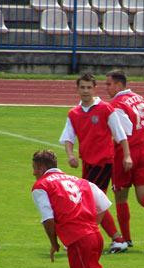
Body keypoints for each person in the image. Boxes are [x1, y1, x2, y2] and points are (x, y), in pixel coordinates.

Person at [60, 73, 131, 254]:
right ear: (77, 89)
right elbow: (68, 137)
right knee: (96, 202)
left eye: (88, 87)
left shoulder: (105, 109)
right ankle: (117, 239)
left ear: (94, 89)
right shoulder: (74, 113)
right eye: (82, 87)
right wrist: (70, 156)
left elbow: (120, 134)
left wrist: (127, 156)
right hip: (88, 163)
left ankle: (87, 238)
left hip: (103, 162)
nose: (85, 91)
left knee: (90, 201)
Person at [104, 70, 144, 247]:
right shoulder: (140, 98)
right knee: (143, 195)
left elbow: (123, 132)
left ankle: (127, 239)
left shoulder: (117, 104)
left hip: (126, 153)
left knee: (121, 198)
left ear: (118, 85)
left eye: (109, 84)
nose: (106, 88)